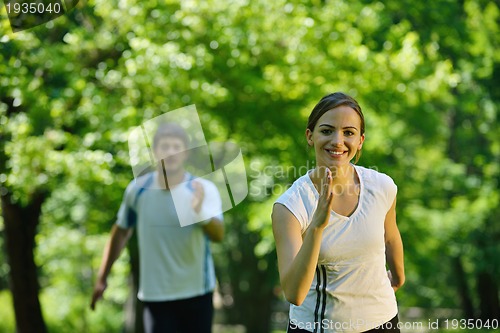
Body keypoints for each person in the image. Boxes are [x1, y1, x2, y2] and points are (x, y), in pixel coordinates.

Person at [272, 92, 405, 333]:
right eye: (326, 131)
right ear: (310, 136)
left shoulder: (382, 186)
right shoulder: (290, 207)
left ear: (361, 140)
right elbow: (293, 293)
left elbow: (390, 235)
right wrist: (317, 227)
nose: (337, 141)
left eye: (349, 132)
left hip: (384, 323)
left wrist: (398, 276)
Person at [90, 122, 224, 333]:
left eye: (176, 146)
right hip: (156, 297)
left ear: (186, 152)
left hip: (197, 293)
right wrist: (102, 277)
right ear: (155, 151)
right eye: (165, 146)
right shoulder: (137, 191)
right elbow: (121, 231)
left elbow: (218, 235)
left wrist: (199, 213)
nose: (171, 152)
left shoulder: (202, 189)